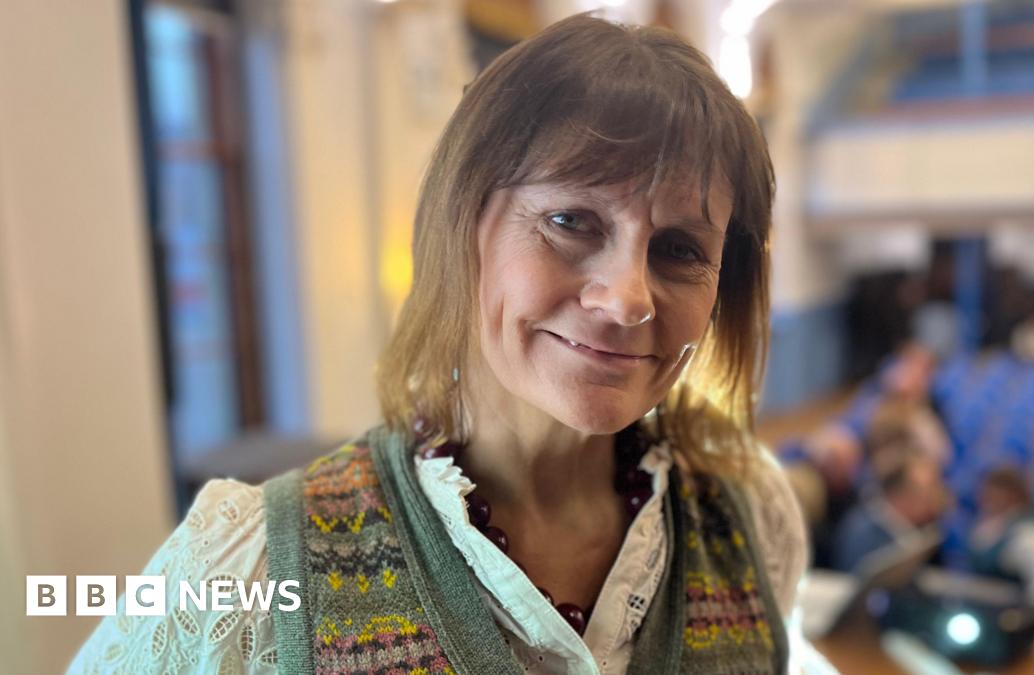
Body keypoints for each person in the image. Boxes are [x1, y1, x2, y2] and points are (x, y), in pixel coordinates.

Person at [69, 15, 812, 675]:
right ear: (463, 223)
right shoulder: (248, 569)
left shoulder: (747, 519)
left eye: (679, 248)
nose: (625, 298)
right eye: (572, 221)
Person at [967, 468, 1034, 630]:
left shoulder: (1031, 535)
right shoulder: (990, 523)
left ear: (1013, 495)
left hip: (1012, 625)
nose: (984, 497)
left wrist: (1026, 622)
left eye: (994, 492)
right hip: (984, 617)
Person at [832, 453, 947, 573]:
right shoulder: (862, 534)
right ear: (901, 493)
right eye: (926, 491)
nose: (934, 497)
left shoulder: (921, 528)